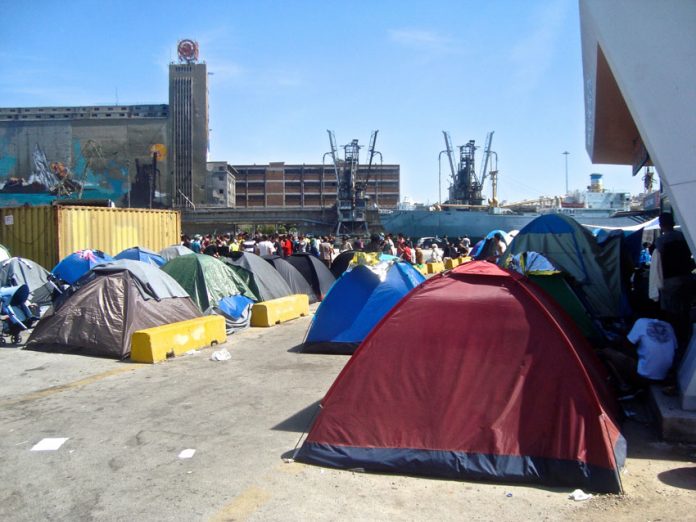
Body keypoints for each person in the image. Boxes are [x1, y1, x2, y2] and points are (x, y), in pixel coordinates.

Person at [649, 212, 695, 352]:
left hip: (670, 281)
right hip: (687, 278)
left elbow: (656, 258)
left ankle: (675, 342)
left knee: (671, 313)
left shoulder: (661, 242)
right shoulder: (683, 236)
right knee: (685, 310)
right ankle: (686, 337)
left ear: (661, 225)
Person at [600, 317, 677, 392]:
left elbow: (626, 344)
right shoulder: (668, 326)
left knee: (607, 351)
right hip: (662, 377)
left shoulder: (641, 321)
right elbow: (675, 349)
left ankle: (623, 385)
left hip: (643, 377)